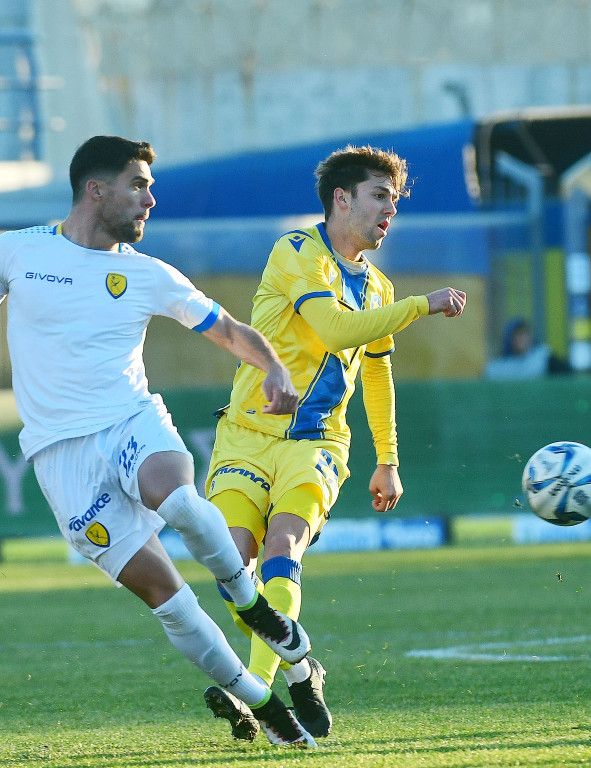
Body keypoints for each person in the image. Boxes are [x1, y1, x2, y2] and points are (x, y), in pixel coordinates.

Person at [0, 135, 319, 748]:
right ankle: (262, 703)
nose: (151, 198)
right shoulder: (16, 252)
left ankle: (252, 603)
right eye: (139, 185)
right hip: (58, 455)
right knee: (167, 600)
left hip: (130, 420)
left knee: (176, 500)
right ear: (96, 190)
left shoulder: (147, 274)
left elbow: (227, 328)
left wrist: (275, 369)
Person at [198, 145, 466, 741]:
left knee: (282, 550)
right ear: (341, 199)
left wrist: (388, 459)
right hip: (245, 434)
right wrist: (422, 305)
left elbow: (376, 373)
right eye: (379, 197)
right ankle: (300, 666)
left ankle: (258, 693)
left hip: (317, 442)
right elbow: (334, 329)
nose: (389, 211)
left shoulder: (378, 286)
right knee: (233, 567)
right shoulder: (296, 253)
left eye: (394, 202)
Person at [483, 317, 570, 381]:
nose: (522, 340)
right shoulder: (498, 367)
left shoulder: (543, 358)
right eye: (518, 336)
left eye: (525, 334)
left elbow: (567, 374)